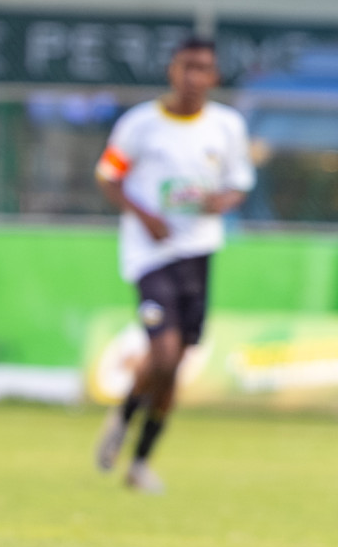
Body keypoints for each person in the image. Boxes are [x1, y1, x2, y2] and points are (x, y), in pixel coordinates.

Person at [93, 36, 255, 493]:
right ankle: (126, 427)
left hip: (198, 252)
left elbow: (238, 182)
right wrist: (145, 216)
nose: (193, 77)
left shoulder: (226, 126)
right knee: (162, 353)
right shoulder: (140, 124)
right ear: (171, 71)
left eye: (202, 69)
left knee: (174, 363)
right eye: (185, 67)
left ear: (214, 77)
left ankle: (138, 458)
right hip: (150, 256)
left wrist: (221, 201)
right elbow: (109, 175)